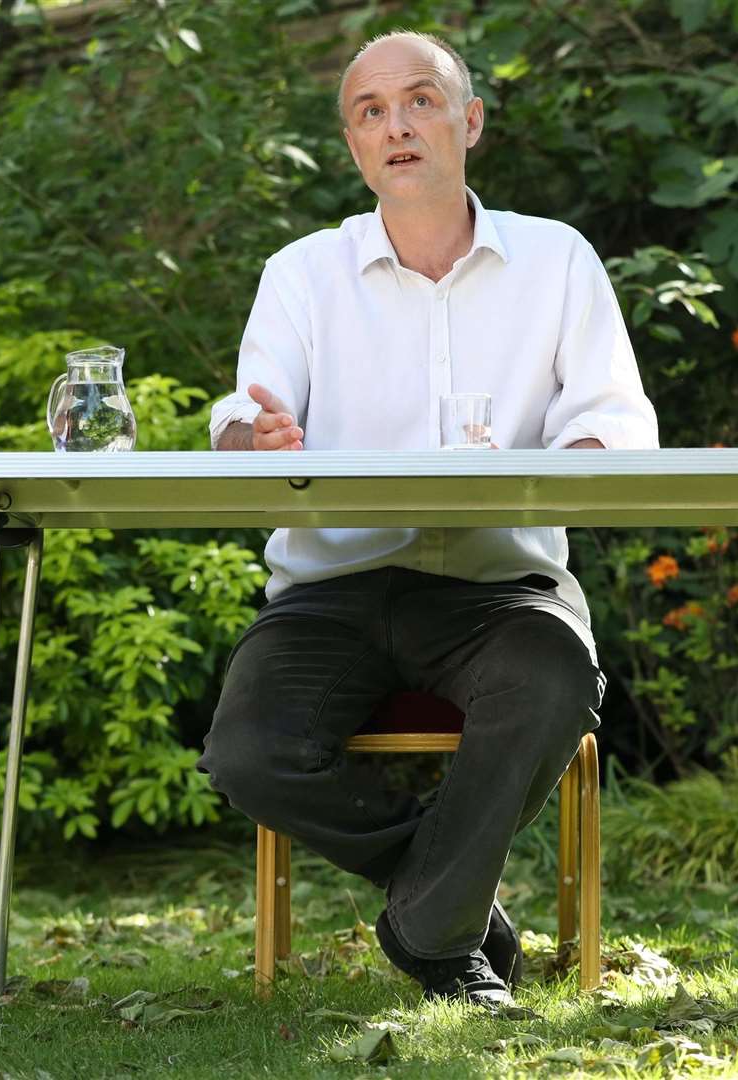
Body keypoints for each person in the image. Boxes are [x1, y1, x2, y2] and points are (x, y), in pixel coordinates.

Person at [198, 29, 658, 1008]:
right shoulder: (302, 273)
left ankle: (428, 930)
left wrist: (579, 459)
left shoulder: (557, 261)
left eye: (418, 101)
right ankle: (452, 908)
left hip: (503, 587)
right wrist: (253, 440)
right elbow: (243, 409)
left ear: (469, 121)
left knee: (552, 676)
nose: (395, 124)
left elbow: (611, 424)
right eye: (369, 111)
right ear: (354, 146)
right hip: (333, 588)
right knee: (244, 752)